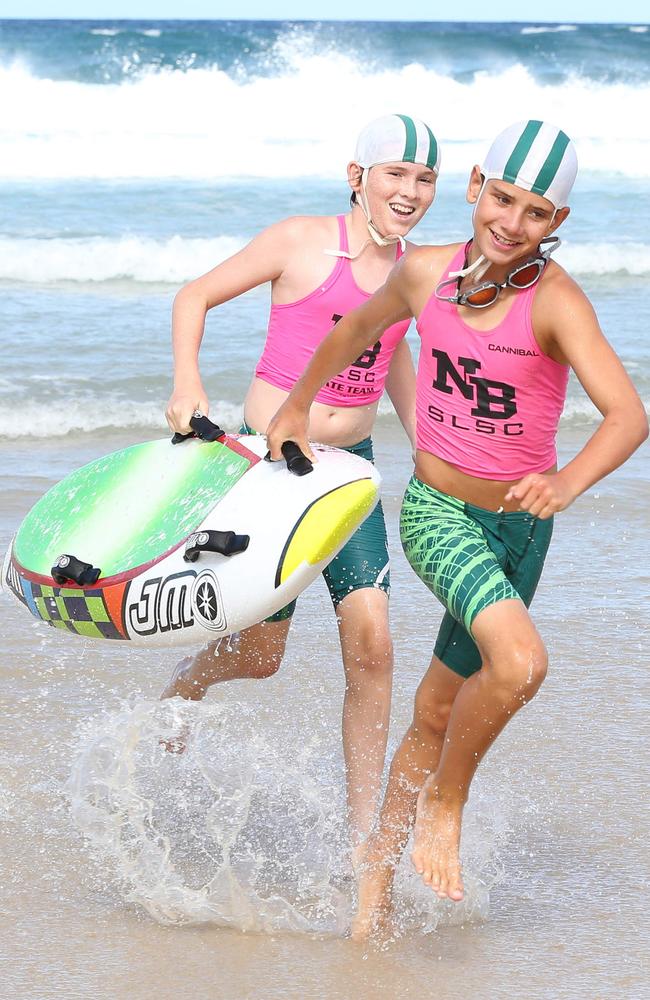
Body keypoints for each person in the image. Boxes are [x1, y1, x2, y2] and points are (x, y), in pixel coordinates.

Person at [265, 119, 649, 937]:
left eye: (536, 212)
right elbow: (354, 330)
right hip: (438, 512)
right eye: (502, 198)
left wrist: (568, 480)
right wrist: (297, 406)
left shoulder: (556, 301)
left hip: (518, 528)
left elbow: (627, 415)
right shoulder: (426, 274)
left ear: (558, 225)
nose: (511, 222)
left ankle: (371, 900)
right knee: (520, 663)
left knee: (437, 713)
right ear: (477, 186)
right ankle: (447, 797)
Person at [161, 114, 441, 862]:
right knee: (261, 656)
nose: (409, 192)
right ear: (358, 176)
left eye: (424, 180)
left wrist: (434, 454)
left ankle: (362, 847)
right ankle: (191, 679)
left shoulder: (417, 270)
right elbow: (194, 296)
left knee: (374, 645)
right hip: (271, 471)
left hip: (348, 475)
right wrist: (188, 384)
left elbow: (395, 356)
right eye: (395, 175)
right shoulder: (298, 242)